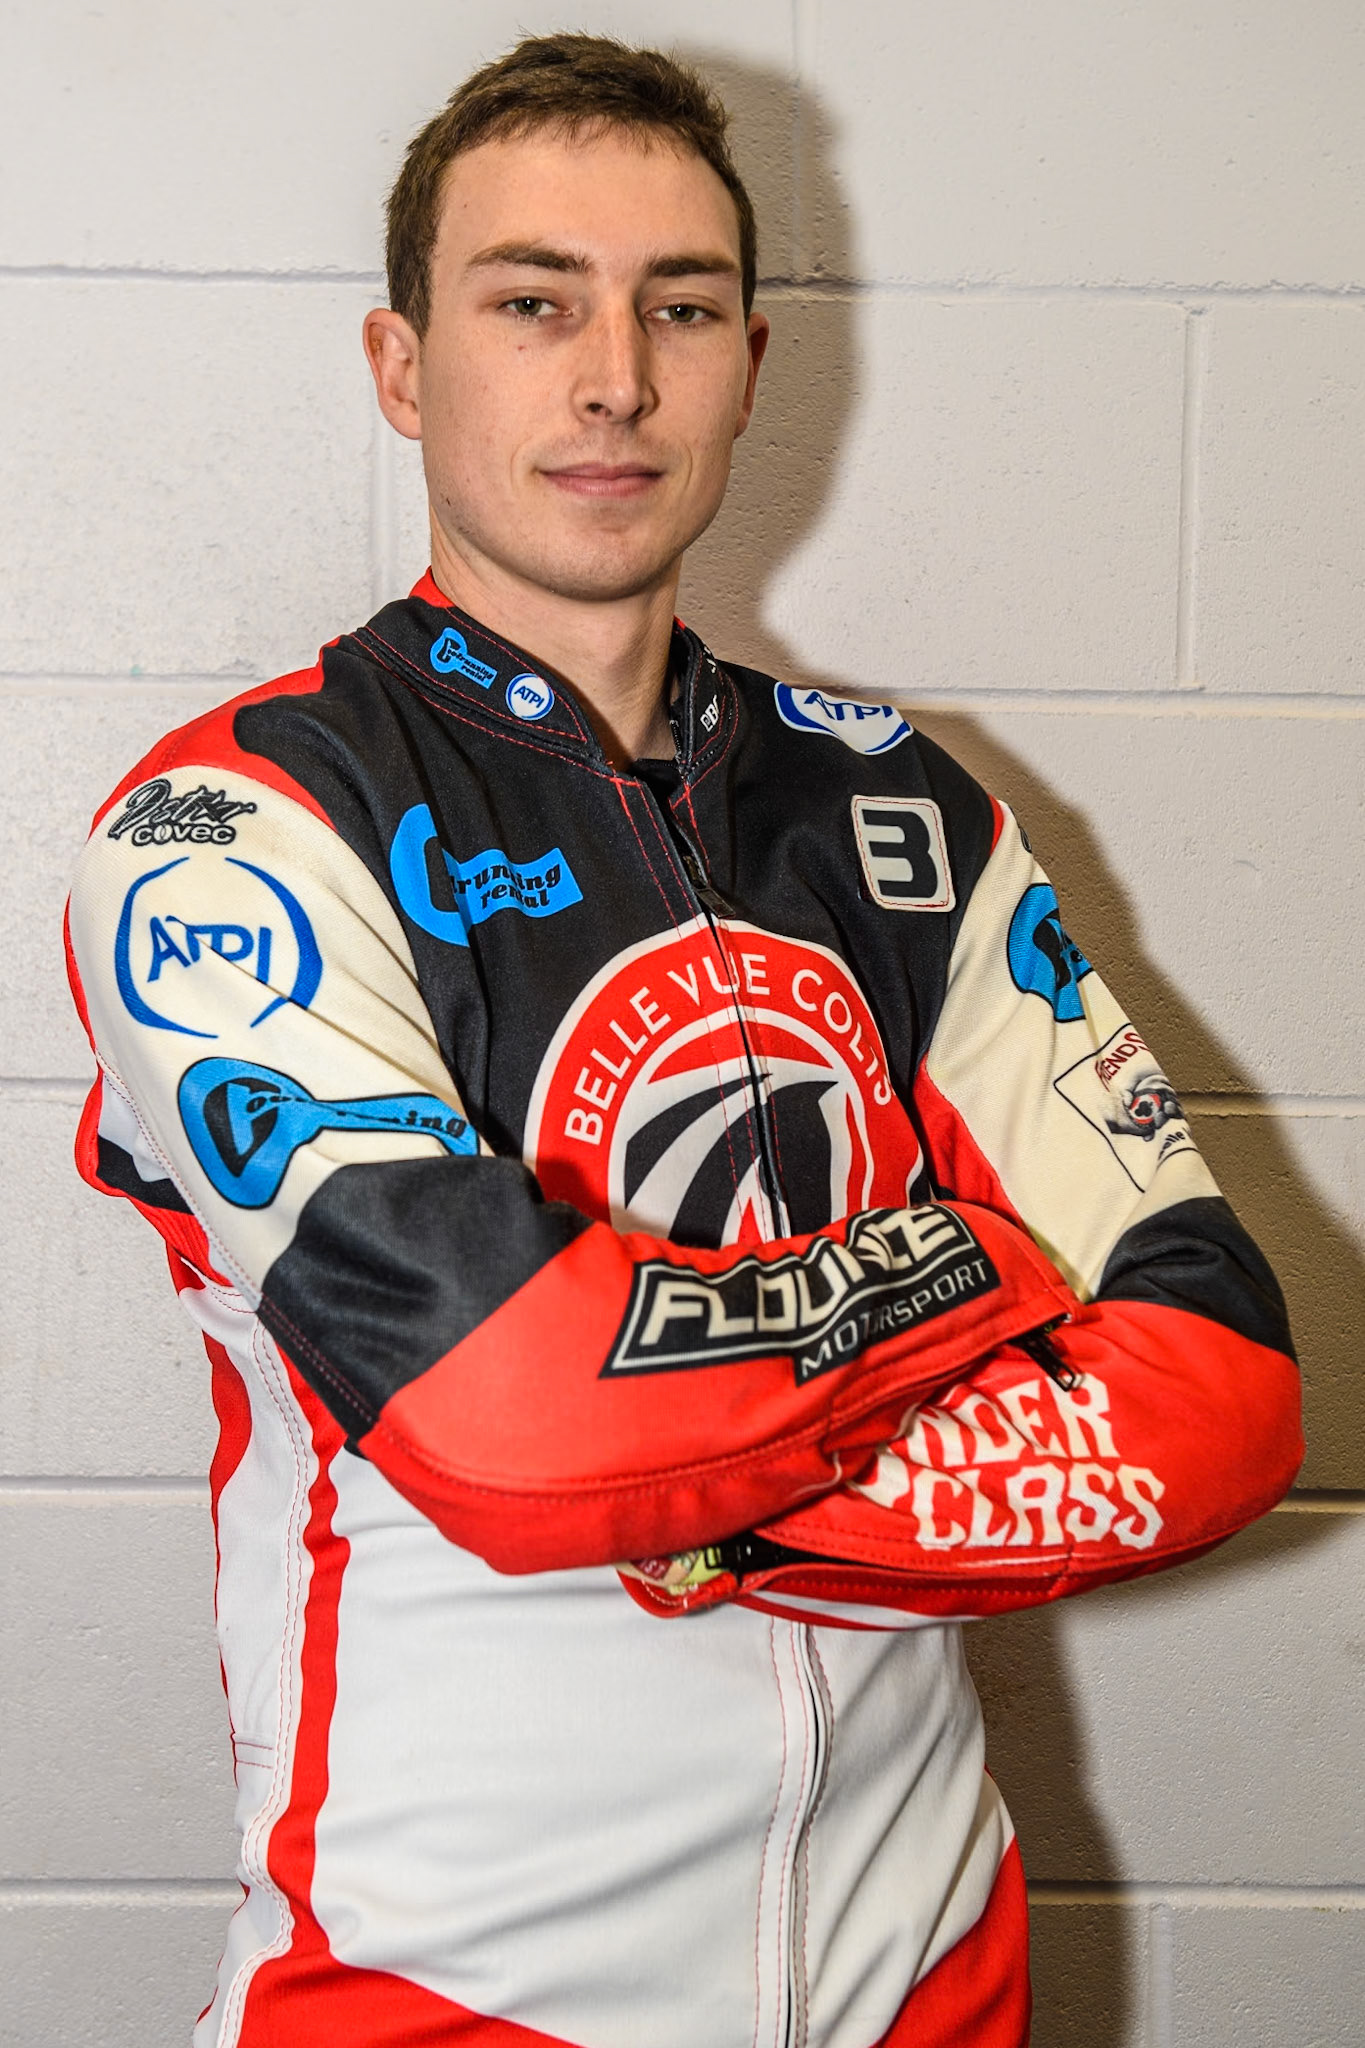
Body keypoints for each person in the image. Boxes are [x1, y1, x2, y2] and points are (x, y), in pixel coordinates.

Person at [64, 33, 1301, 2048]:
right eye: (532, 299)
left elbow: (1224, 1384)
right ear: (401, 367)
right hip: (446, 1986)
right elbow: (513, 1422)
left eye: (681, 307)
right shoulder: (242, 824)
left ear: (744, 364)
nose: (612, 372)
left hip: (927, 1966)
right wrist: (976, 1274)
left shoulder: (904, 817)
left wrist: (700, 1484)